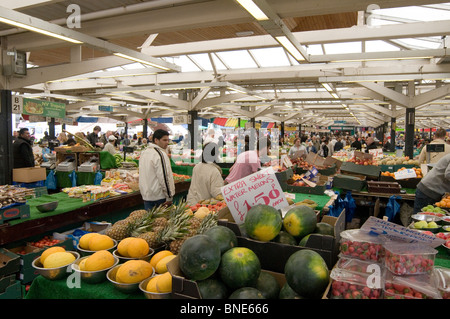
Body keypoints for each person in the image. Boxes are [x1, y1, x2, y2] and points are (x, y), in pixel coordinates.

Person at [139, 129, 175, 210]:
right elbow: (164, 177)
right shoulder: (160, 154)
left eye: (168, 140)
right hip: (160, 197)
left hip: (147, 196)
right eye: (164, 140)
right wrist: (169, 196)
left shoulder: (144, 152)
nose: (167, 142)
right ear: (156, 140)